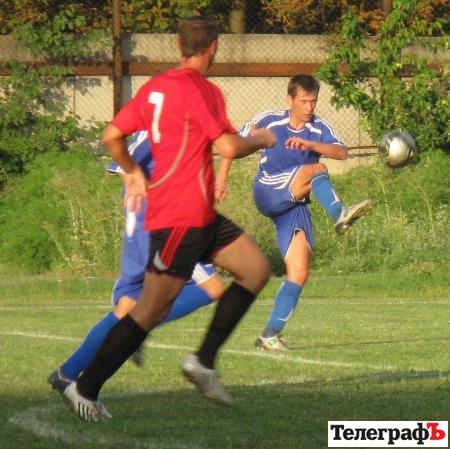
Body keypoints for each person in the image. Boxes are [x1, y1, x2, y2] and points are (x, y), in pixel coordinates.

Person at [61, 16, 276, 421]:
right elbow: (229, 147)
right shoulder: (203, 89)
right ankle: (84, 388)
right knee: (148, 311)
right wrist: (263, 138)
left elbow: (111, 135)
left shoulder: (155, 87)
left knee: (255, 269)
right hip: (180, 218)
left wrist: (131, 170)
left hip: (201, 214)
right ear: (213, 47)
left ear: (179, 45)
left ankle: (203, 362)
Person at [47, 131, 228, 395]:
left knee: (127, 307)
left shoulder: (159, 132)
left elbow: (124, 165)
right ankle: (141, 326)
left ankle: (67, 372)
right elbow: (125, 164)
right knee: (211, 288)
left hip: (144, 237)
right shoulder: (161, 132)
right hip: (163, 232)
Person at [240, 74, 372, 352]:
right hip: (268, 189)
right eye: (303, 101)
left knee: (299, 273)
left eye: (313, 101)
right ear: (290, 99)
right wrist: (221, 177)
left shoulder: (319, 127)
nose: (309, 107)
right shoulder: (270, 120)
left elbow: (341, 152)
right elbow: (232, 143)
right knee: (318, 170)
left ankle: (269, 336)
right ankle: (339, 214)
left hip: (294, 204)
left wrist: (311, 145)